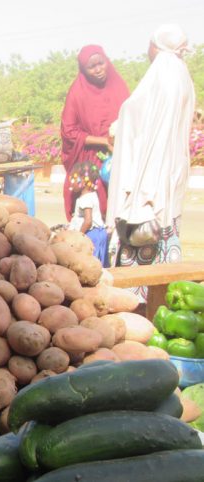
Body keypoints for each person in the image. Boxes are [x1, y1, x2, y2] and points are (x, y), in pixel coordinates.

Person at [106, 24, 196, 295]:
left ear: (157, 46)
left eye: (149, 44)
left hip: (148, 180)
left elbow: (134, 116)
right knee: (163, 241)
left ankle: (138, 309)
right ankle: (157, 304)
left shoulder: (161, 74)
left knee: (139, 253)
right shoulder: (182, 75)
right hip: (169, 176)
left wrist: (117, 127)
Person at [60, 45, 130, 222]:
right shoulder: (77, 92)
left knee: (122, 208)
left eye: (101, 63)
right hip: (90, 159)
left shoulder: (118, 85)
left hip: (119, 155)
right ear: (83, 70)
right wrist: (103, 141)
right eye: (92, 67)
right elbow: (68, 131)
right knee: (96, 210)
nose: (98, 70)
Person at [67, 161, 108, 266]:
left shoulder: (85, 199)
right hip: (99, 232)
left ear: (84, 181)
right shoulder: (92, 195)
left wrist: (79, 236)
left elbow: (88, 221)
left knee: (90, 264)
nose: (71, 183)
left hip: (92, 235)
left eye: (73, 179)